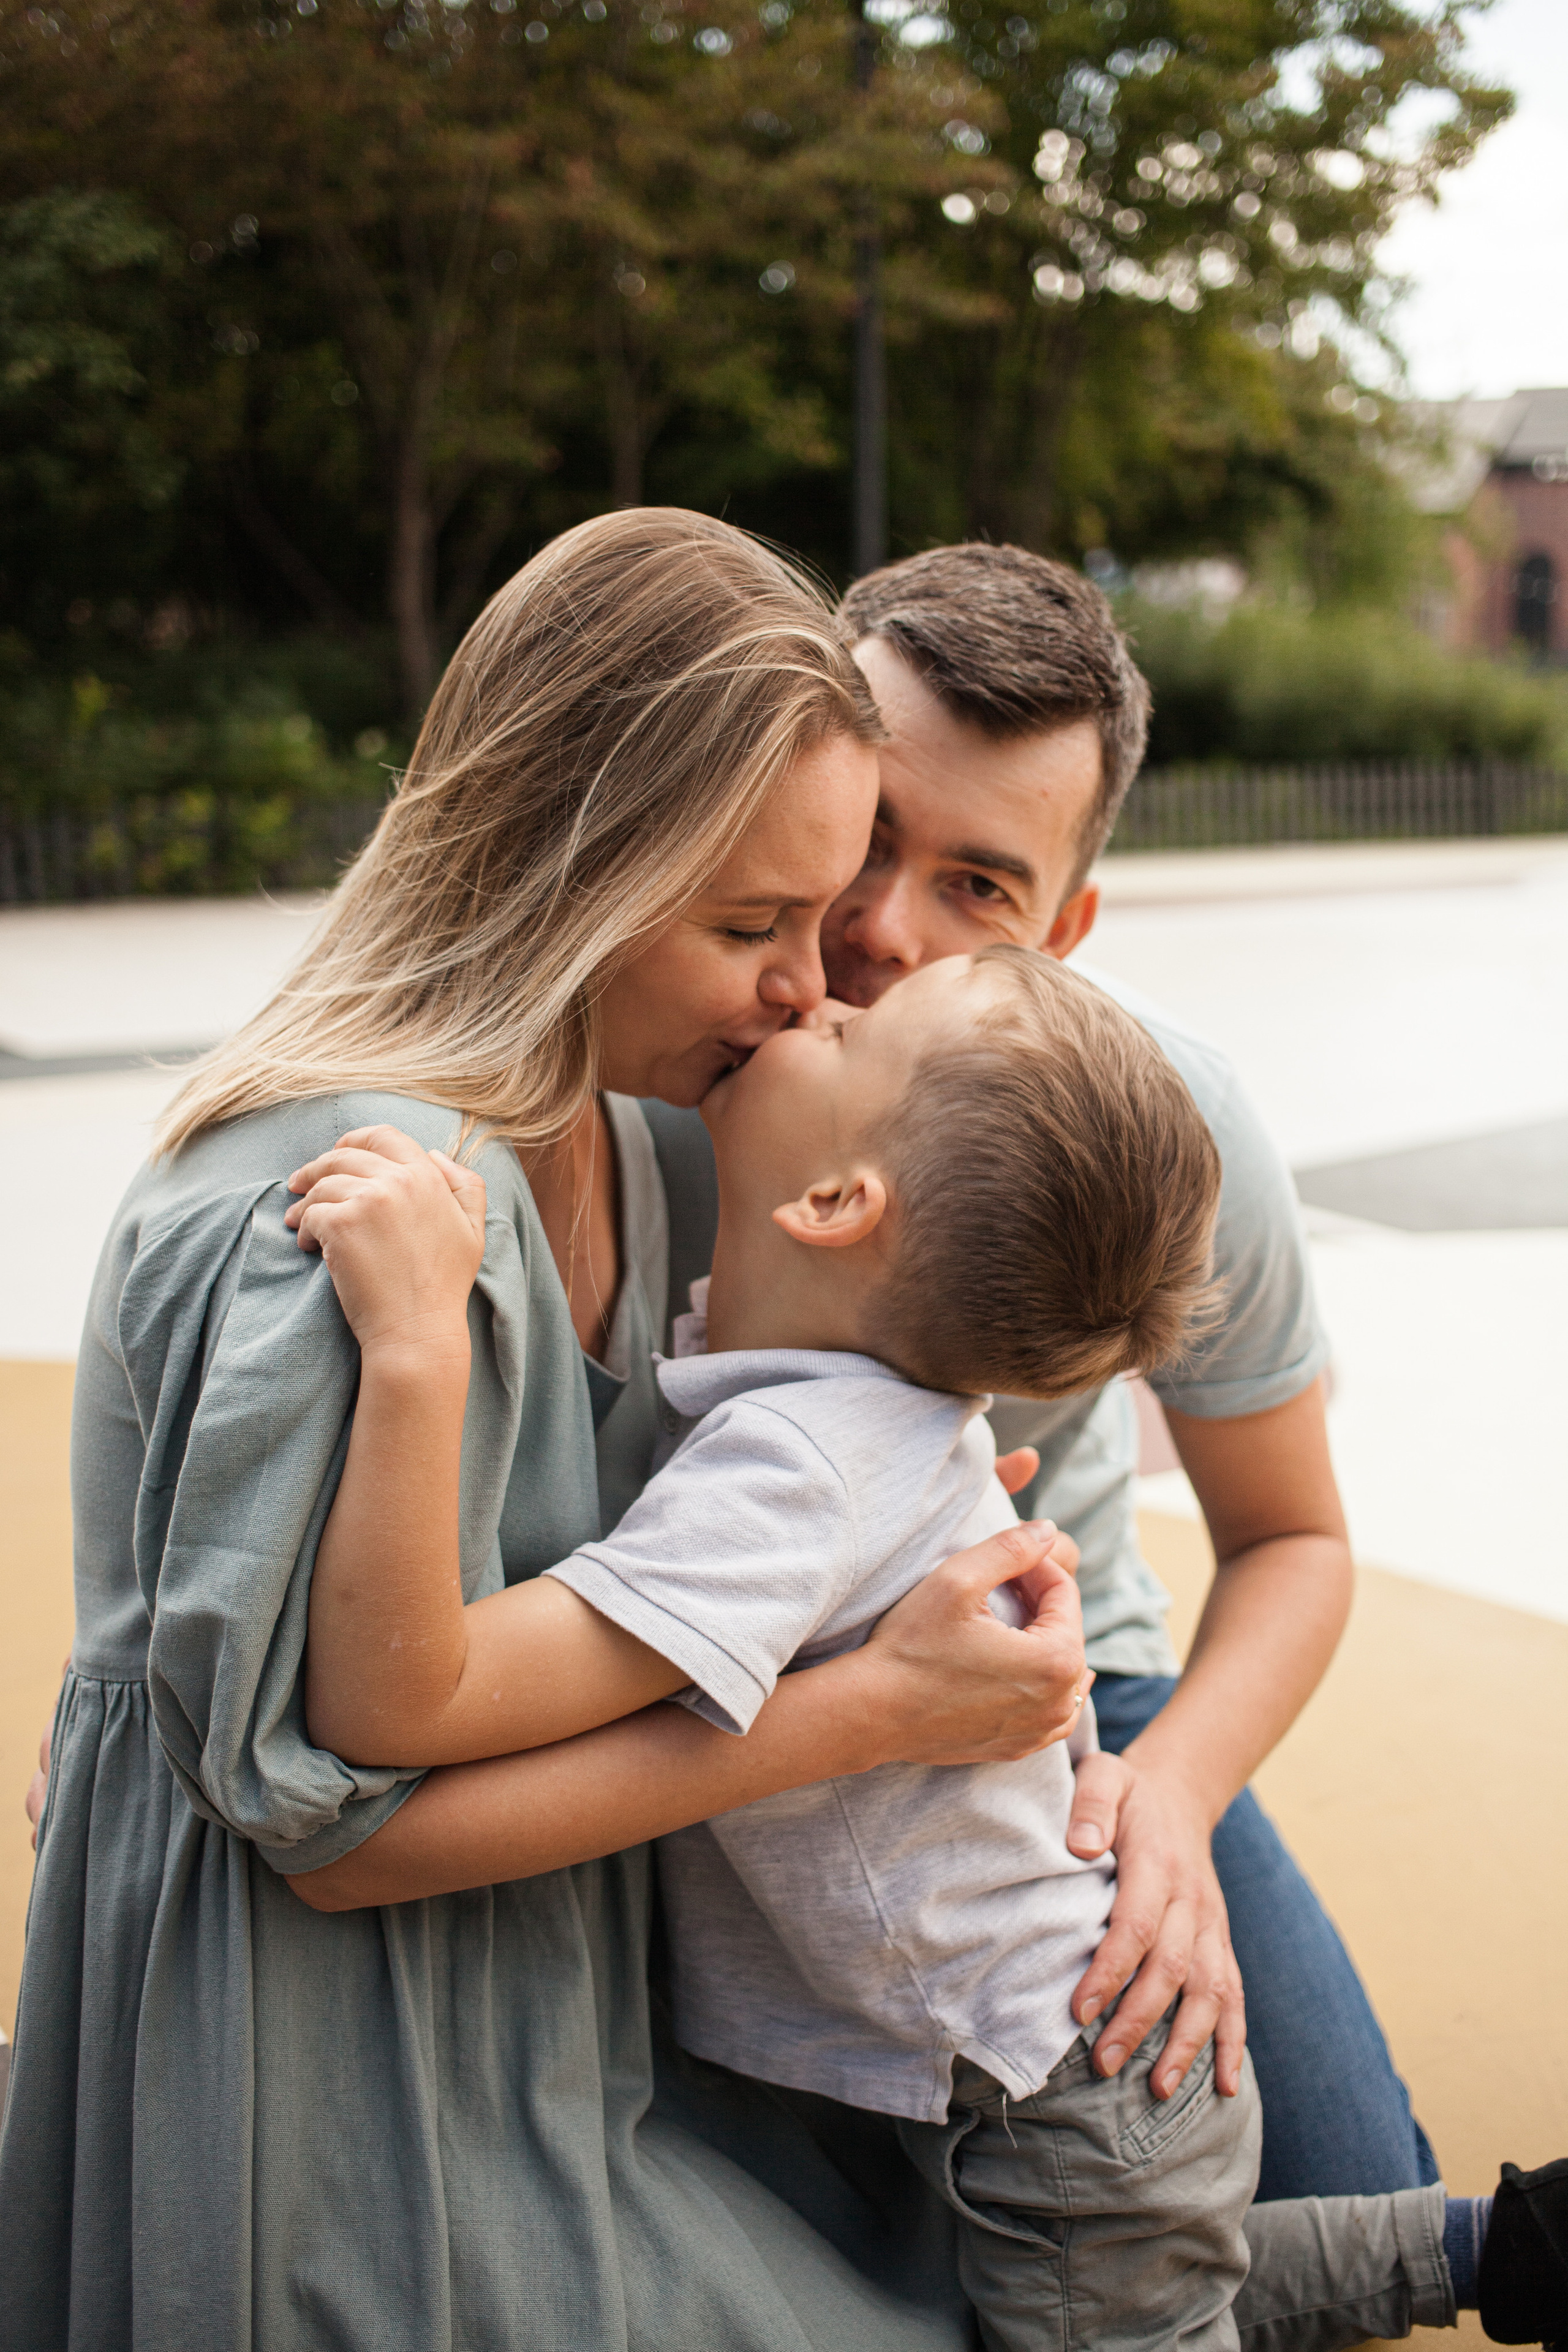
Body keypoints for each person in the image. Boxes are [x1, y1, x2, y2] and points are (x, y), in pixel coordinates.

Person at [0, 510, 1090, 2352]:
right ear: (569, 863)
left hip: (556, 2003)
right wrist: (877, 1707)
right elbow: (329, 1832)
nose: (812, 989)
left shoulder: (656, 1143)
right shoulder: (356, 1211)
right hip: (322, 2062)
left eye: (816, 918)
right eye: (748, 925)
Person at [277, 944, 1567, 2352]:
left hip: (1059, 2101)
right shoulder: (866, 1414)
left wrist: (417, 1344)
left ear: (836, 1201)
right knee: (1154, 2274)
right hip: (1092, 2073)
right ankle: (1488, 2248)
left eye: (851, 1031)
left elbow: (405, 1703)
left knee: (1131, 2297)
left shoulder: (794, 1476)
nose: (814, 999)